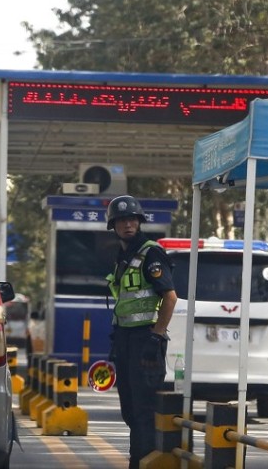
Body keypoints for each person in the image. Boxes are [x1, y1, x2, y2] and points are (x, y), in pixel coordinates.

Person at [104, 194, 178, 469]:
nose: (128, 224)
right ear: (114, 225)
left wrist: (156, 336)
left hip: (146, 341)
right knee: (130, 410)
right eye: (122, 220)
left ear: (139, 221)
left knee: (144, 411)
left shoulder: (150, 253)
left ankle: (140, 463)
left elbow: (170, 297)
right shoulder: (123, 256)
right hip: (126, 341)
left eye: (132, 219)